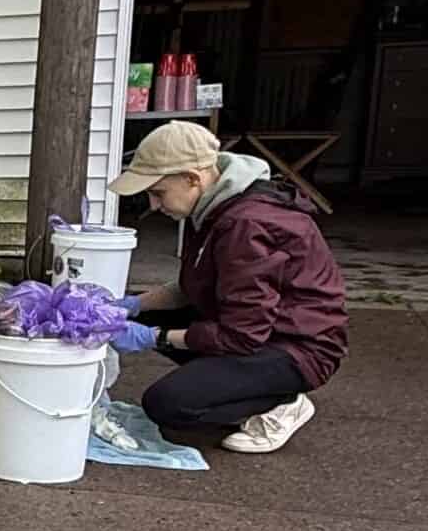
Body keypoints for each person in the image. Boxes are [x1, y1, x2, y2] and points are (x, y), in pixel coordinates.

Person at [108, 119, 348, 453]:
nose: (153, 205)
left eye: (157, 192)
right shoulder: (210, 206)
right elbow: (193, 285)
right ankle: (238, 385)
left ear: (192, 178)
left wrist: (155, 338)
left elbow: (243, 334)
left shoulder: (246, 224)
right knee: (141, 320)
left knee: (167, 404)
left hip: (297, 347)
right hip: (259, 327)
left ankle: (279, 404)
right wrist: (132, 305)